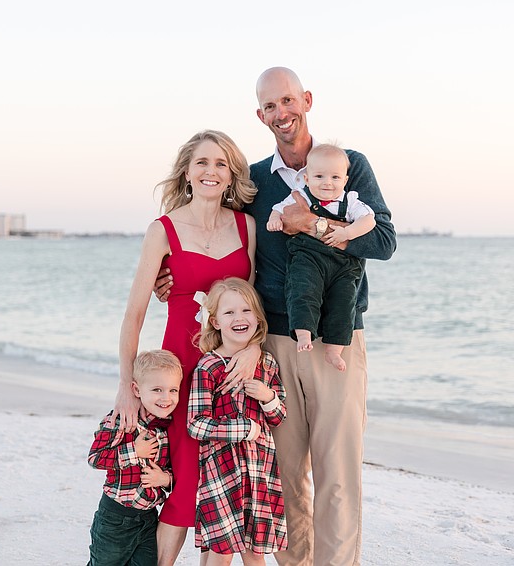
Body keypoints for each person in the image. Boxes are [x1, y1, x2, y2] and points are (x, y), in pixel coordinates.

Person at [154, 68, 396, 565]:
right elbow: (219, 232)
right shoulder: (256, 181)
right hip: (270, 347)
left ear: (306, 100)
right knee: (282, 476)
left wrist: (316, 225)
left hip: (336, 340)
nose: (281, 113)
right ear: (260, 115)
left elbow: (384, 241)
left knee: (338, 472)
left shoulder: (350, 166)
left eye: (288, 100)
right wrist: (175, 276)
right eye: (270, 106)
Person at [113, 130, 260, 566]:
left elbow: (251, 303)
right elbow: (134, 314)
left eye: (220, 164)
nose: (211, 171)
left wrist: (252, 350)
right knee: (184, 483)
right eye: (202, 163)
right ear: (187, 172)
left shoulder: (246, 225)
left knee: (225, 491)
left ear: (231, 174)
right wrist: (127, 384)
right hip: (178, 370)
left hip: (230, 371)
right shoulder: (163, 230)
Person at [187, 277, 287, 565]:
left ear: (257, 317)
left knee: (256, 553)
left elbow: (279, 416)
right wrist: (242, 429)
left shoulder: (266, 363)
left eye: (246, 311)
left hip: (259, 472)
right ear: (216, 322)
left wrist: (267, 396)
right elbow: (196, 424)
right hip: (221, 473)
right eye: (229, 313)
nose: (239, 318)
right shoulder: (209, 366)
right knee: (221, 553)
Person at [266, 143, 376, 371]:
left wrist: (348, 232)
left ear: (345, 180)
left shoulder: (351, 201)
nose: (328, 182)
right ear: (306, 179)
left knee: (344, 302)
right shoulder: (301, 197)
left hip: (343, 265)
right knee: (302, 289)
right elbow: (280, 209)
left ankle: (334, 350)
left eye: (335, 177)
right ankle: (304, 332)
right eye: (319, 176)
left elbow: (370, 221)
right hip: (309, 258)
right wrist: (274, 219)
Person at [87, 349, 183, 566]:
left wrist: (165, 479)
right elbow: (95, 458)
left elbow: (170, 467)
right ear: (137, 390)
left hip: (148, 518)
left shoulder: (167, 427)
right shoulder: (121, 420)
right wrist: (134, 451)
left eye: (173, 390)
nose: (166, 398)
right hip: (115, 517)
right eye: (157, 389)